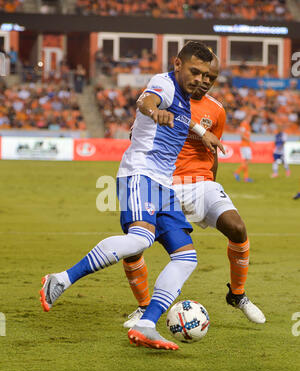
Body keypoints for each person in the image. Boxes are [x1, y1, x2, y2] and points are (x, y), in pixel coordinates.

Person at [39, 41, 225, 351]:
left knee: (186, 257)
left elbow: (181, 117)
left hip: (163, 183)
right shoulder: (163, 84)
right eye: (194, 71)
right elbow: (146, 101)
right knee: (141, 239)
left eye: (206, 75)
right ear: (178, 64)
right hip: (140, 173)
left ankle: (146, 324)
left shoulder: (183, 98)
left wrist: (202, 132)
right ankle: (60, 279)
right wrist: (155, 113)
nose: (200, 80)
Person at [123, 54, 266, 329]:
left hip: (201, 183)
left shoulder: (216, 110)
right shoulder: (167, 95)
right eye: (201, 75)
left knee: (237, 227)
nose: (205, 82)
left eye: (211, 78)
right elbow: (138, 133)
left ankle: (237, 295)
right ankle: (143, 307)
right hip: (163, 182)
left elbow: (213, 151)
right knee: (134, 243)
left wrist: (213, 185)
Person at [234, 114, 253, 183]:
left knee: (246, 161)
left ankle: (246, 178)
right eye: (250, 117)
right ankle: (237, 172)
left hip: (246, 145)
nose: (251, 119)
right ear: (247, 117)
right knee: (248, 160)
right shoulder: (244, 124)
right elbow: (241, 135)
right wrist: (249, 140)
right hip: (245, 145)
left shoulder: (247, 125)